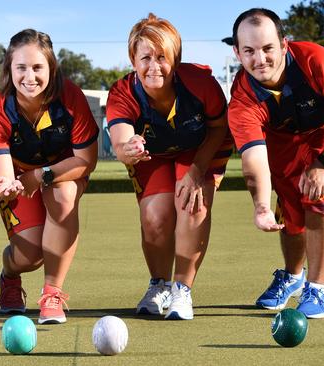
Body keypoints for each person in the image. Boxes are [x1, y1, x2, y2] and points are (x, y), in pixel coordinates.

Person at [228, 8, 324, 318]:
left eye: (268, 48)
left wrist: (323, 162)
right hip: (282, 142)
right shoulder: (241, 98)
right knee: (289, 210)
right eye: (249, 51)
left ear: (284, 44)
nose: (260, 59)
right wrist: (261, 206)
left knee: (315, 192)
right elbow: (254, 159)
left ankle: (316, 288)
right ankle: (293, 277)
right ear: (237, 52)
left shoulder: (316, 60)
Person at [106, 13, 233, 320]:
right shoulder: (122, 93)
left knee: (192, 204)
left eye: (162, 57)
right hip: (154, 155)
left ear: (176, 58)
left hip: (201, 149)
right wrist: (129, 148)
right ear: (133, 59)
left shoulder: (201, 83)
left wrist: (195, 171)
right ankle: (158, 285)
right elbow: (120, 143)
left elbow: (218, 129)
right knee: (155, 217)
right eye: (145, 57)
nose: (154, 67)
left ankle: (182, 290)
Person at [0, 29, 99, 325]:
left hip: (64, 172)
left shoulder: (71, 97)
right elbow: (2, 177)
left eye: (37, 67)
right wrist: (6, 188)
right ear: (9, 68)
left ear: (51, 68)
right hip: (21, 177)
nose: (29, 76)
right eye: (21, 67)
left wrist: (41, 174)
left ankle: (52, 293)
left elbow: (86, 160)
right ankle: (9, 275)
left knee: (63, 194)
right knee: (29, 256)